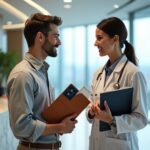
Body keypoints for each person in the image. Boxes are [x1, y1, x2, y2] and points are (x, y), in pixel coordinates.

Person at [7, 13, 77, 150]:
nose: (59, 42)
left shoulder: (41, 71)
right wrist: (60, 127)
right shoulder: (23, 74)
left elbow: (41, 116)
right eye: (56, 36)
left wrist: (59, 123)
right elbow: (21, 127)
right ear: (40, 37)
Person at [86, 17, 148, 150]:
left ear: (115, 39)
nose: (95, 43)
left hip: (120, 144)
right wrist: (91, 112)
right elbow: (91, 105)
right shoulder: (98, 74)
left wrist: (112, 120)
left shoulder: (134, 74)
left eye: (99, 38)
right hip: (97, 142)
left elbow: (141, 119)